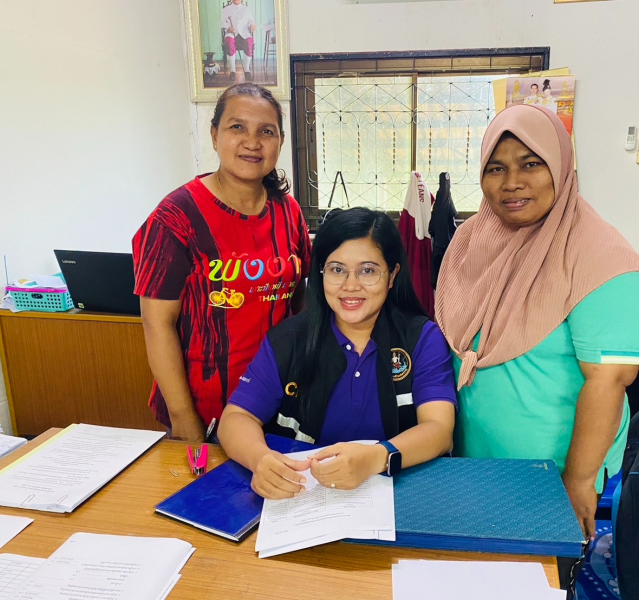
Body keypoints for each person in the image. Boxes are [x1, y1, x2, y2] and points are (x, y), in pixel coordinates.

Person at [435, 104, 639, 543]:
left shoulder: (602, 261)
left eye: (531, 164)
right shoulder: (473, 238)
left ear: (560, 165)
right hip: (472, 456)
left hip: (549, 473)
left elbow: (609, 382)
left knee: (537, 570)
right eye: (496, 168)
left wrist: (578, 481)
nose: (512, 182)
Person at [218, 207, 456, 499]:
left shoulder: (422, 338)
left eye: (368, 270)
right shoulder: (289, 339)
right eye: (337, 269)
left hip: (400, 492)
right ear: (321, 273)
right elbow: (236, 417)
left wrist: (376, 458)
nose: (350, 286)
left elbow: (439, 429)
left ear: (392, 275)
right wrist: (259, 459)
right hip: (304, 496)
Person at [133, 83, 311, 442]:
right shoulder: (175, 218)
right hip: (205, 410)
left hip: (279, 402)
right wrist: (184, 418)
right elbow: (157, 324)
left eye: (266, 132)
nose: (252, 142)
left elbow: (299, 301)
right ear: (214, 135)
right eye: (237, 127)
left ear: (280, 142)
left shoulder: (288, 212)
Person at [221, 0, 256, 82]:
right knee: (229, 41)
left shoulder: (246, 9)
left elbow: (251, 20)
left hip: (244, 33)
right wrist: (228, 27)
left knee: (249, 42)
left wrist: (252, 25)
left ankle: (247, 70)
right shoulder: (226, 9)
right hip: (232, 33)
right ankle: (233, 71)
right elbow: (222, 22)